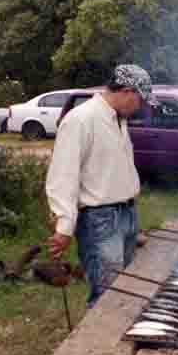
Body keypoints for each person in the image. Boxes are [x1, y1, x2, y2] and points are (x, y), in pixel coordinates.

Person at [45, 64, 153, 307]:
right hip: (100, 219)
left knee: (124, 285)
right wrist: (64, 226)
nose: (141, 107)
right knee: (108, 293)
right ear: (126, 91)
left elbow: (117, 170)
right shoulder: (81, 120)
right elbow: (63, 175)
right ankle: (101, 343)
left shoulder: (118, 119)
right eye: (141, 100)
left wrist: (132, 219)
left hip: (125, 212)